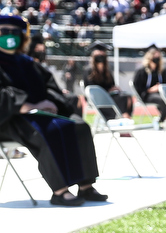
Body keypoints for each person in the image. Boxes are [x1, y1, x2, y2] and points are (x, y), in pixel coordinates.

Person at [0, 14, 107, 206]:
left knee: (79, 126)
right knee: (48, 131)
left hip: (36, 114)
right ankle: (60, 191)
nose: (9, 35)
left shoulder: (26, 62)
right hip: (9, 118)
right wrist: (26, 105)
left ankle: (86, 186)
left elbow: (48, 87)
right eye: (3, 31)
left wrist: (53, 103)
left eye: (14, 32)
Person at [84, 41, 133, 118]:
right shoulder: (88, 70)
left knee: (127, 96)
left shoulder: (107, 71)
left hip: (108, 95)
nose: (100, 57)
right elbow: (91, 88)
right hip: (97, 97)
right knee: (122, 98)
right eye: (98, 55)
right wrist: (108, 91)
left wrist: (114, 88)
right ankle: (124, 117)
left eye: (102, 54)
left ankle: (126, 117)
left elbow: (111, 84)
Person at [132, 45, 166, 123]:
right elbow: (137, 87)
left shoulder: (160, 72)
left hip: (160, 93)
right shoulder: (142, 71)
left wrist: (159, 87)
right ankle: (161, 121)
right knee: (163, 100)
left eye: (158, 56)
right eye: (155, 56)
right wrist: (150, 90)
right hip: (146, 95)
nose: (157, 58)